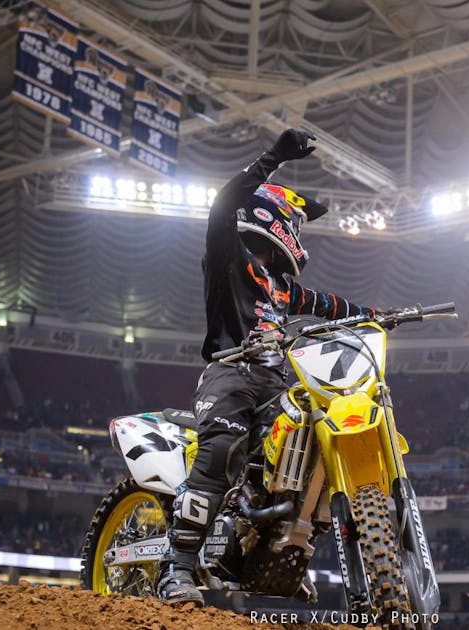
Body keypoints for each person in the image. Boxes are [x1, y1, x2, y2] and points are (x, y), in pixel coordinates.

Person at [158, 129, 378, 605]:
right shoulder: (228, 259)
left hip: (276, 383)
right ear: (272, 217)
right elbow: (223, 205)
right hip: (230, 373)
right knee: (221, 454)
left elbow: (328, 305)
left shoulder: (282, 287)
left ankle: (275, 553)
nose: (299, 232)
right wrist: (274, 157)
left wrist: (378, 316)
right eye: (296, 222)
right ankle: (176, 569)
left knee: (308, 455)